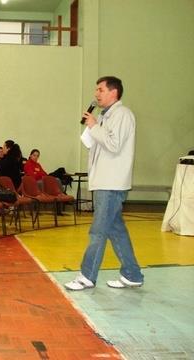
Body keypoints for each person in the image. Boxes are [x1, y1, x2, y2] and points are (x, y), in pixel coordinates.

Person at [64, 76, 144, 291]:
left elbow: (114, 145)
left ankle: (87, 276)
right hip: (103, 181)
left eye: (100, 90)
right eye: (96, 90)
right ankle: (132, 274)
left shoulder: (123, 115)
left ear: (113, 92)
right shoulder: (105, 116)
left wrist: (94, 126)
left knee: (98, 231)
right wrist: (92, 129)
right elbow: (99, 145)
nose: (96, 94)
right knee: (116, 230)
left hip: (111, 183)